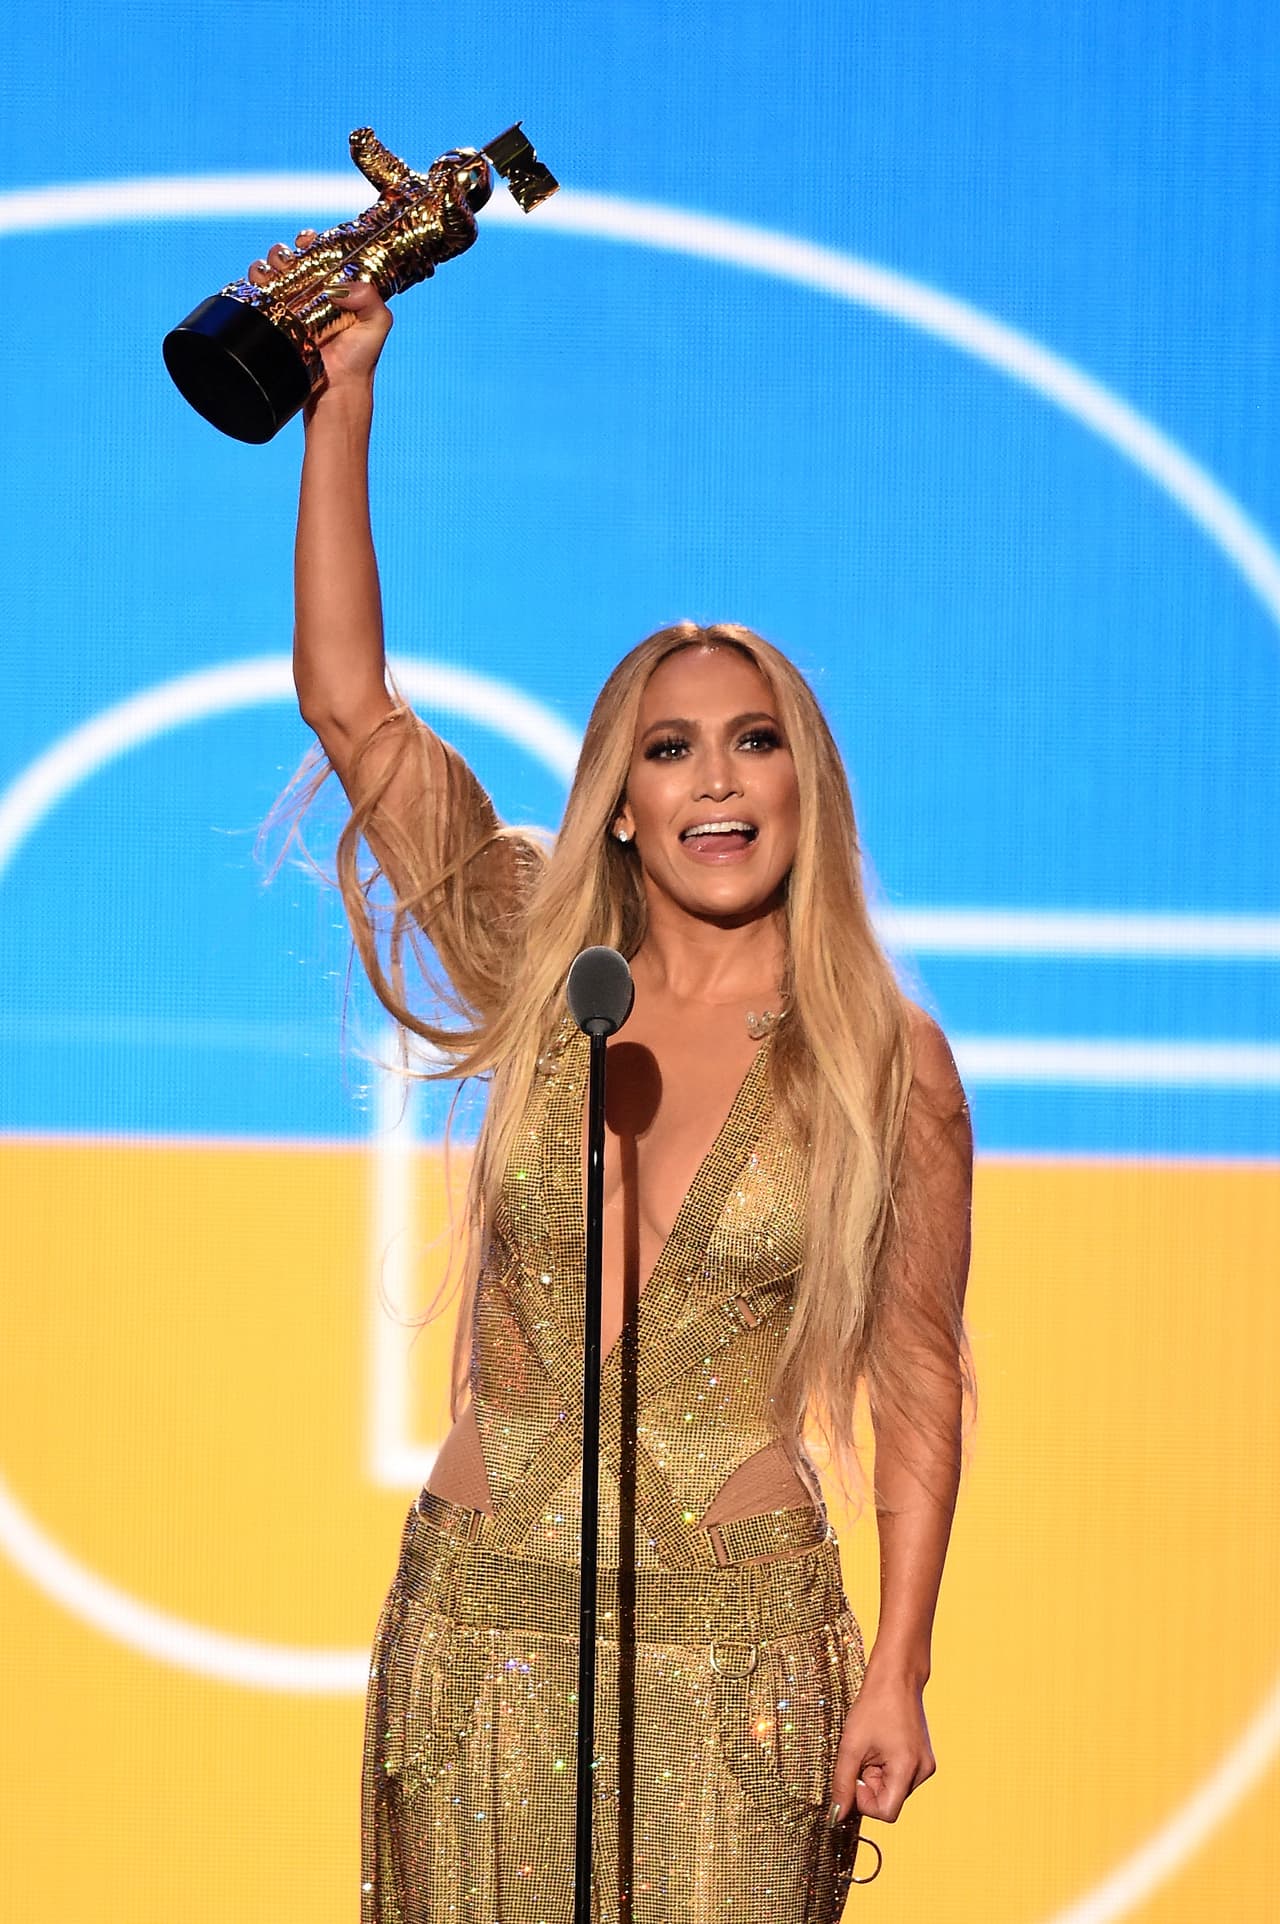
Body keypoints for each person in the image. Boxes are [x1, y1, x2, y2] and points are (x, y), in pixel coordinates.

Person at [254, 237, 974, 1924]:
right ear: (622, 798)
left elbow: (921, 1380)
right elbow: (354, 712)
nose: (715, 780)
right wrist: (340, 405)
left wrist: (906, 1666)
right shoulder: (536, 964)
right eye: (671, 747)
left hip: (736, 1671)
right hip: (480, 1638)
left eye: (754, 738)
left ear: (808, 781)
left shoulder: (885, 1062)